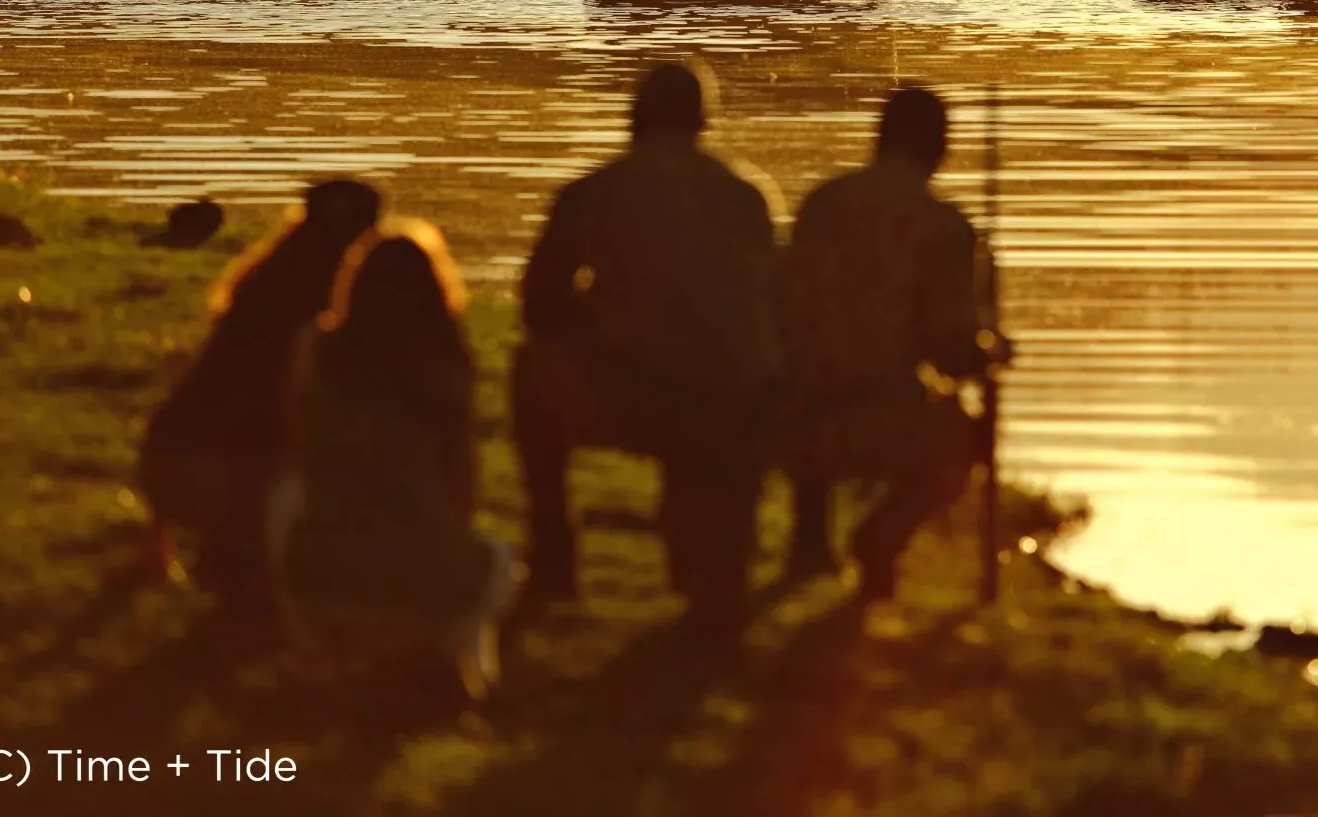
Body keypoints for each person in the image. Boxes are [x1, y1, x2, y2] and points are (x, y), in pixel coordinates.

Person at [512, 61, 782, 634]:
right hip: (736, 400)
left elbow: (539, 304)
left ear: (633, 117)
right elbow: (770, 303)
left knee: (532, 369)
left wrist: (601, 315)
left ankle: (554, 549)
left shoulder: (594, 192)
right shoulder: (747, 194)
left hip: (643, 391)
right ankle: (716, 572)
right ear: (703, 123)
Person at [782, 85, 1011, 600]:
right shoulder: (942, 227)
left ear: (879, 137)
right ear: (940, 148)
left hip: (791, 415)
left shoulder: (822, 203)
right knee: (966, 443)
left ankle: (810, 537)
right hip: (877, 419)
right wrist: (991, 348)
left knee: (814, 377)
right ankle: (881, 536)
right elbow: (952, 352)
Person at [269, 221, 516, 698]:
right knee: (501, 558)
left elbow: (299, 449)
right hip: (427, 574)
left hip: (328, 570)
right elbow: (463, 481)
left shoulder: (317, 350)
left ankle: (318, 647)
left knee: (285, 497)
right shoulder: (449, 363)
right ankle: (455, 654)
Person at [130, 178, 382, 605]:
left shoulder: (256, 288)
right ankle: (258, 549)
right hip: (250, 478)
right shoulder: (330, 313)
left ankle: (170, 549)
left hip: (169, 473)